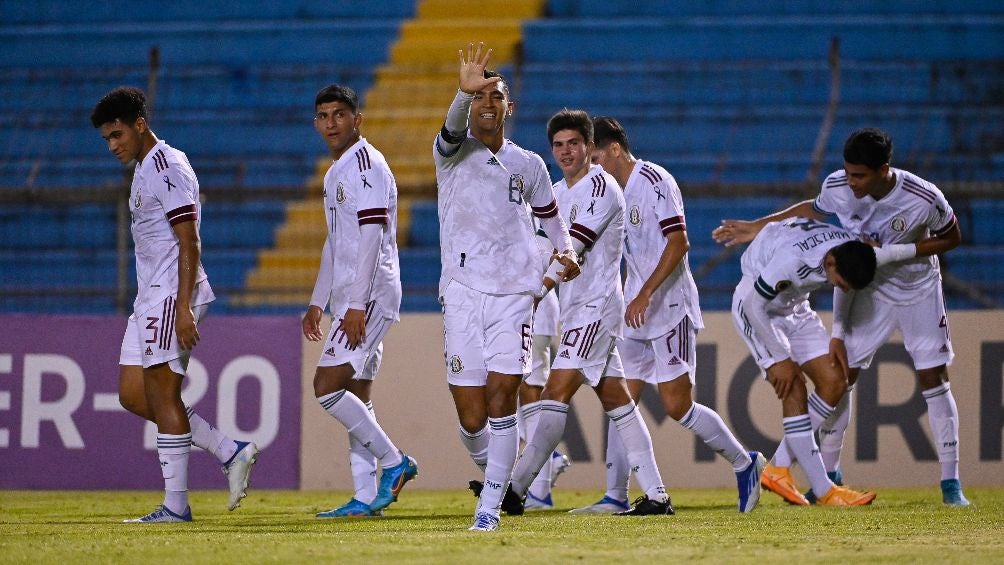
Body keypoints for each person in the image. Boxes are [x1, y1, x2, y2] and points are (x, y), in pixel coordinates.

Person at [713, 127, 969, 506]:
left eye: (860, 175)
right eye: (847, 173)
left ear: (884, 169)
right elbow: (807, 212)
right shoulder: (830, 207)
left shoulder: (923, 198)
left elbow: (952, 237)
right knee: (839, 376)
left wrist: (900, 251)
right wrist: (758, 226)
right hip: (853, 283)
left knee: (929, 375)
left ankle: (951, 486)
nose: (850, 183)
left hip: (912, 287)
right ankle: (827, 478)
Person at [92, 87, 259, 523]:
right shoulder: (144, 169)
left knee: (164, 395)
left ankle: (175, 505)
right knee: (133, 394)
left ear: (139, 125)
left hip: (170, 294)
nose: (113, 145)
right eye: (107, 139)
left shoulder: (167, 166)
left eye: (116, 134)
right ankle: (228, 450)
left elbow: (190, 240)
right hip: (148, 296)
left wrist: (183, 307)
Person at [435, 43, 580, 531]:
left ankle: (491, 506)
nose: (487, 104)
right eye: (480, 98)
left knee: (503, 398)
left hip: (515, 296)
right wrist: (462, 90)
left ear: (508, 106)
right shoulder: (451, 154)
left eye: (495, 96)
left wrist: (565, 251)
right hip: (461, 292)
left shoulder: (530, 165)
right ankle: (508, 476)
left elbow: (551, 221)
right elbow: (450, 129)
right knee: (470, 414)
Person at [587, 116, 766, 513]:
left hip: (668, 308)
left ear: (614, 148)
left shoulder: (654, 182)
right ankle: (615, 496)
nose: (592, 166)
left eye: (596, 156)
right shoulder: (608, 191)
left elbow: (679, 242)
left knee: (677, 406)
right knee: (620, 401)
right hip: (634, 310)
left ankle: (746, 462)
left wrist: (646, 292)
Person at [509, 109, 673, 517]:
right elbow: (541, 249)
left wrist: (533, 294)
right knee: (618, 401)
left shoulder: (601, 189)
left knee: (554, 393)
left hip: (596, 308)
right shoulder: (559, 193)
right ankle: (657, 496)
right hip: (579, 309)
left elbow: (571, 252)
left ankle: (512, 490)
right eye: (558, 145)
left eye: (574, 144)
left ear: (589, 147)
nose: (566, 152)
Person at [301, 84, 417, 518]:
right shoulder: (337, 171)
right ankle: (367, 497)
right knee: (355, 393)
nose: (331, 123)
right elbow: (337, 243)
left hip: (368, 294)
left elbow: (371, 236)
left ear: (357, 119)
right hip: (354, 294)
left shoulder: (366, 165)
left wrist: (354, 303)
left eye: (339, 114)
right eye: (323, 116)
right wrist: (318, 301)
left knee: (326, 388)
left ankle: (395, 462)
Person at [732, 217, 881, 506]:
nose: (844, 290)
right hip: (756, 306)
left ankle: (777, 469)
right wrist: (782, 358)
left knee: (836, 381)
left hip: (794, 306)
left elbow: (849, 271)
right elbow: (754, 305)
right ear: (830, 262)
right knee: (794, 386)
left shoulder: (850, 248)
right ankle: (825, 490)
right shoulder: (793, 259)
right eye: (841, 284)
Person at [518, 222, 572, 511]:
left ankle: (539, 491)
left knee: (530, 390)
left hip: (533, 306)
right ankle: (544, 464)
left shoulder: (532, 210)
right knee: (510, 390)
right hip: (527, 305)